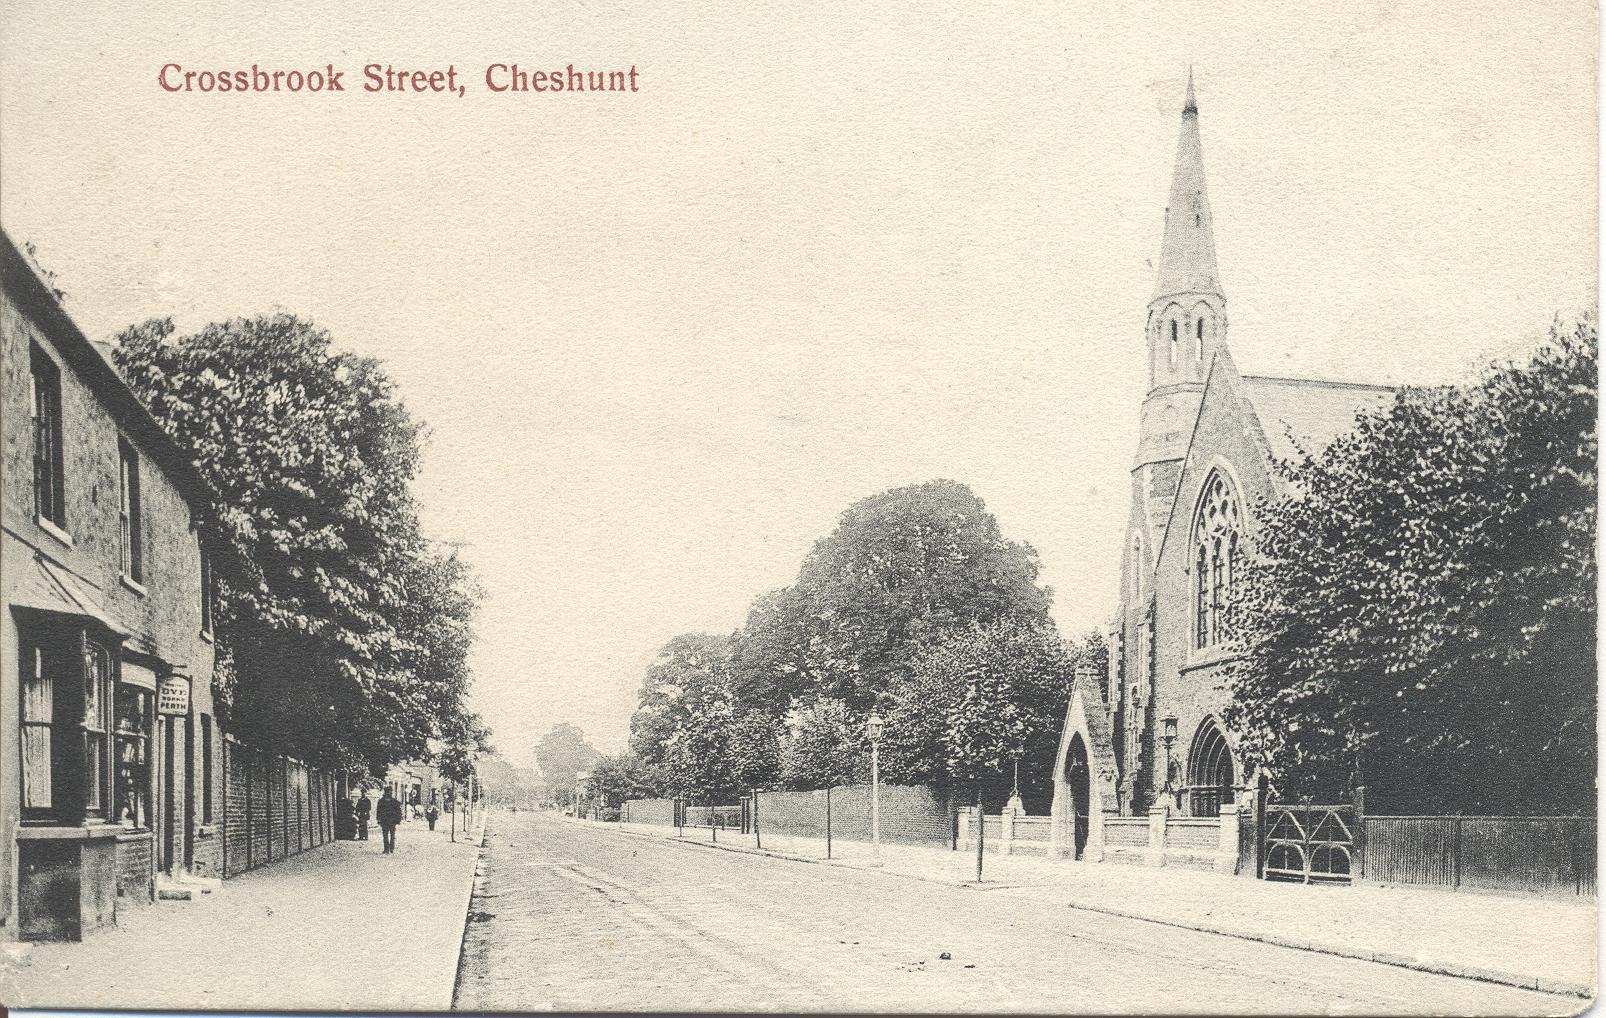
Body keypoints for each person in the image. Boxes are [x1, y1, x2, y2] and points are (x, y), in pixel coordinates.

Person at [376, 789, 403, 854]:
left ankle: (391, 848)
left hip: (392, 821)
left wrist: (398, 820)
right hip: (385, 821)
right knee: (385, 835)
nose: (389, 793)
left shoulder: (394, 802)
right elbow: (378, 811)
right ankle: (386, 849)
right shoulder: (381, 802)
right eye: (387, 792)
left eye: (389, 792)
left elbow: (398, 812)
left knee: (392, 835)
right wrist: (379, 819)